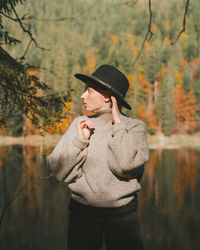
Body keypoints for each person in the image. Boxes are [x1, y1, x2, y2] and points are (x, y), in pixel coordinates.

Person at [47, 64, 149, 250]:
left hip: (123, 217)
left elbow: (125, 166)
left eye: (89, 91)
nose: (82, 96)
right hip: (82, 215)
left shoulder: (134, 127)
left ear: (107, 96)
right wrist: (80, 141)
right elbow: (58, 170)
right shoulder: (81, 124)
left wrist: (118, 125)